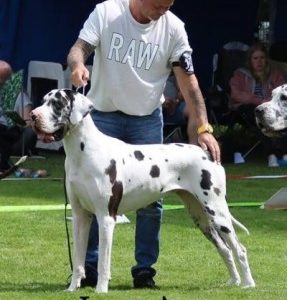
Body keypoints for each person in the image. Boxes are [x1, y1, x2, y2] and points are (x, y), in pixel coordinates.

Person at [67, 0, 220, 289]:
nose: (164, 10)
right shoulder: (107, 12)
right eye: (159, 4)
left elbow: (188, 82)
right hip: (102, 117)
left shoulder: (174, 28)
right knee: (94, 199)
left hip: (146, 120)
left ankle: (144, 271)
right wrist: (77, 66)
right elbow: (79, 49)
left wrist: (203, 127)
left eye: (169, 4)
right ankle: (88, 269)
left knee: (153, 201)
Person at [229, 42, 287, 166]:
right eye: (255, 58)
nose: (259, 62)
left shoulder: (275, 74)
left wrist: (269, 101)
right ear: (250, 60)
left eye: (262, 58)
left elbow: (282, 91)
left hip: (271, 107)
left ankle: (283, 153)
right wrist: (259, 101)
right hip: (246, 108)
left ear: (266, 60)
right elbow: (235, 94)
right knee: (260, 115)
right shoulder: (240, 74)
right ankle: (271, 155)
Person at [0, 60, 37, 172]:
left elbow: (29, 124)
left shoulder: (19, 95)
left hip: (11, 135)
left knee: (29, 132)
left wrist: (16, 119)